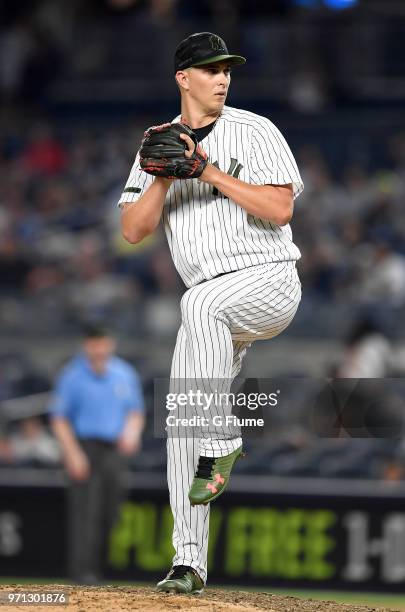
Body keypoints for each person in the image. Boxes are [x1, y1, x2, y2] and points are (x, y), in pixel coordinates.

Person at [118, 32, 303, 594]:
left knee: (196, 307)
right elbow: (132, 229)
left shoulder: (256, 129)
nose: (222, 78)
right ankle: (188, 562)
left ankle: (224, 440)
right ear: (183, 78)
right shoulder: (157, 143)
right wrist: (166, 177)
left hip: (266, 281)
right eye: (209, 69)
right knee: (183, 420)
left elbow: (280, 207)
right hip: (209, 312)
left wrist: (210, 174)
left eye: (227, 69)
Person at [49, 324, 145, 584]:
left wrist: (132, 432)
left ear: (110, 344)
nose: (99, 348)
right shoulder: (72, 375)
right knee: (85, 513)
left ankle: (101, 568)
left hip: (114, 450)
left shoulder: (124, 373)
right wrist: (72, 453)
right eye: (94, 343)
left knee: (111, 509)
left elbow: (135, 412)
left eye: (102, 342)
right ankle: (82, 574)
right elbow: (59, 419)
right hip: (84, 447)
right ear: (86, 345)